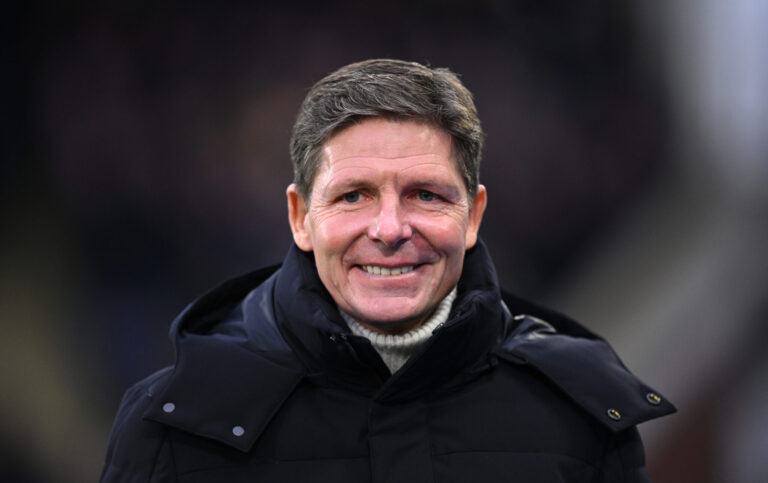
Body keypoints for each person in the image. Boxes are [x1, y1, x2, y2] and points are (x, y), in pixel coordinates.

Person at [100, 59, 675, 482]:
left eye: (425, 195)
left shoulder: (584, 415)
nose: (391, 228)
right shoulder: (173, 423)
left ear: (473, 215)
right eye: (354, 196)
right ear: (301, 217)